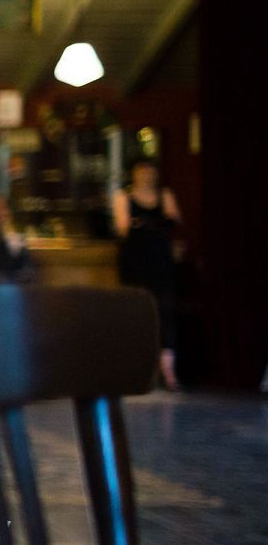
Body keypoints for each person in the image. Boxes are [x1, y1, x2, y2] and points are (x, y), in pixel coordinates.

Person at [112, 158, 183, 390]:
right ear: (133, 174)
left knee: (165, 314)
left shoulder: (165, 195)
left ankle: (167, 372)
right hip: (135, 263)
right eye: (141, 172)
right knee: (137, 314)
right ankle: (138, 370)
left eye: (150, 172)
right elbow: (123, 228)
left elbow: (175, 221)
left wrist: (145, 224)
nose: (146, 176)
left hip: (161, 264)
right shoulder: (124, 197)